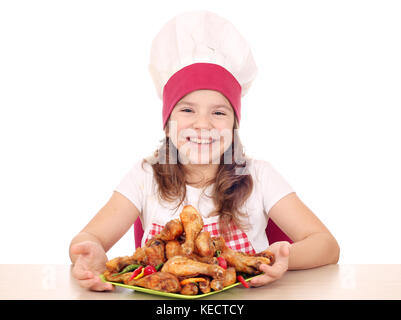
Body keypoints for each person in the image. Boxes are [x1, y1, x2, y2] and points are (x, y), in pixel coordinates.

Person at [69, 10, 340, 292]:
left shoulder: (259, 176)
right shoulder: (144, 176)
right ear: (167, 123)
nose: (202, 124)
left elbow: (327, 245)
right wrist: (91, 253)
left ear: (235, 123)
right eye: (187, 110)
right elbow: (89, 238)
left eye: (219, 112)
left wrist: (280, 257)